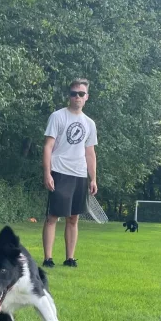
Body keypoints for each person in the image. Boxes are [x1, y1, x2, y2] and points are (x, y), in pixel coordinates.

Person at [42, 78, 98, 268]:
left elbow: (90, 153)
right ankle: (48, 258)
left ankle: (70, 258)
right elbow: (48, 146)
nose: (77, 97)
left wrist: (93, 178)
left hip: (80, 174)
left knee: (73, 218)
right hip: (59, 171)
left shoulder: (89, 123)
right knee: (53, 217)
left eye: (81, 94)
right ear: (69, 96)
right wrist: (47, 173)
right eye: (74, 93)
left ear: (86, 97)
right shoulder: (57, 116)